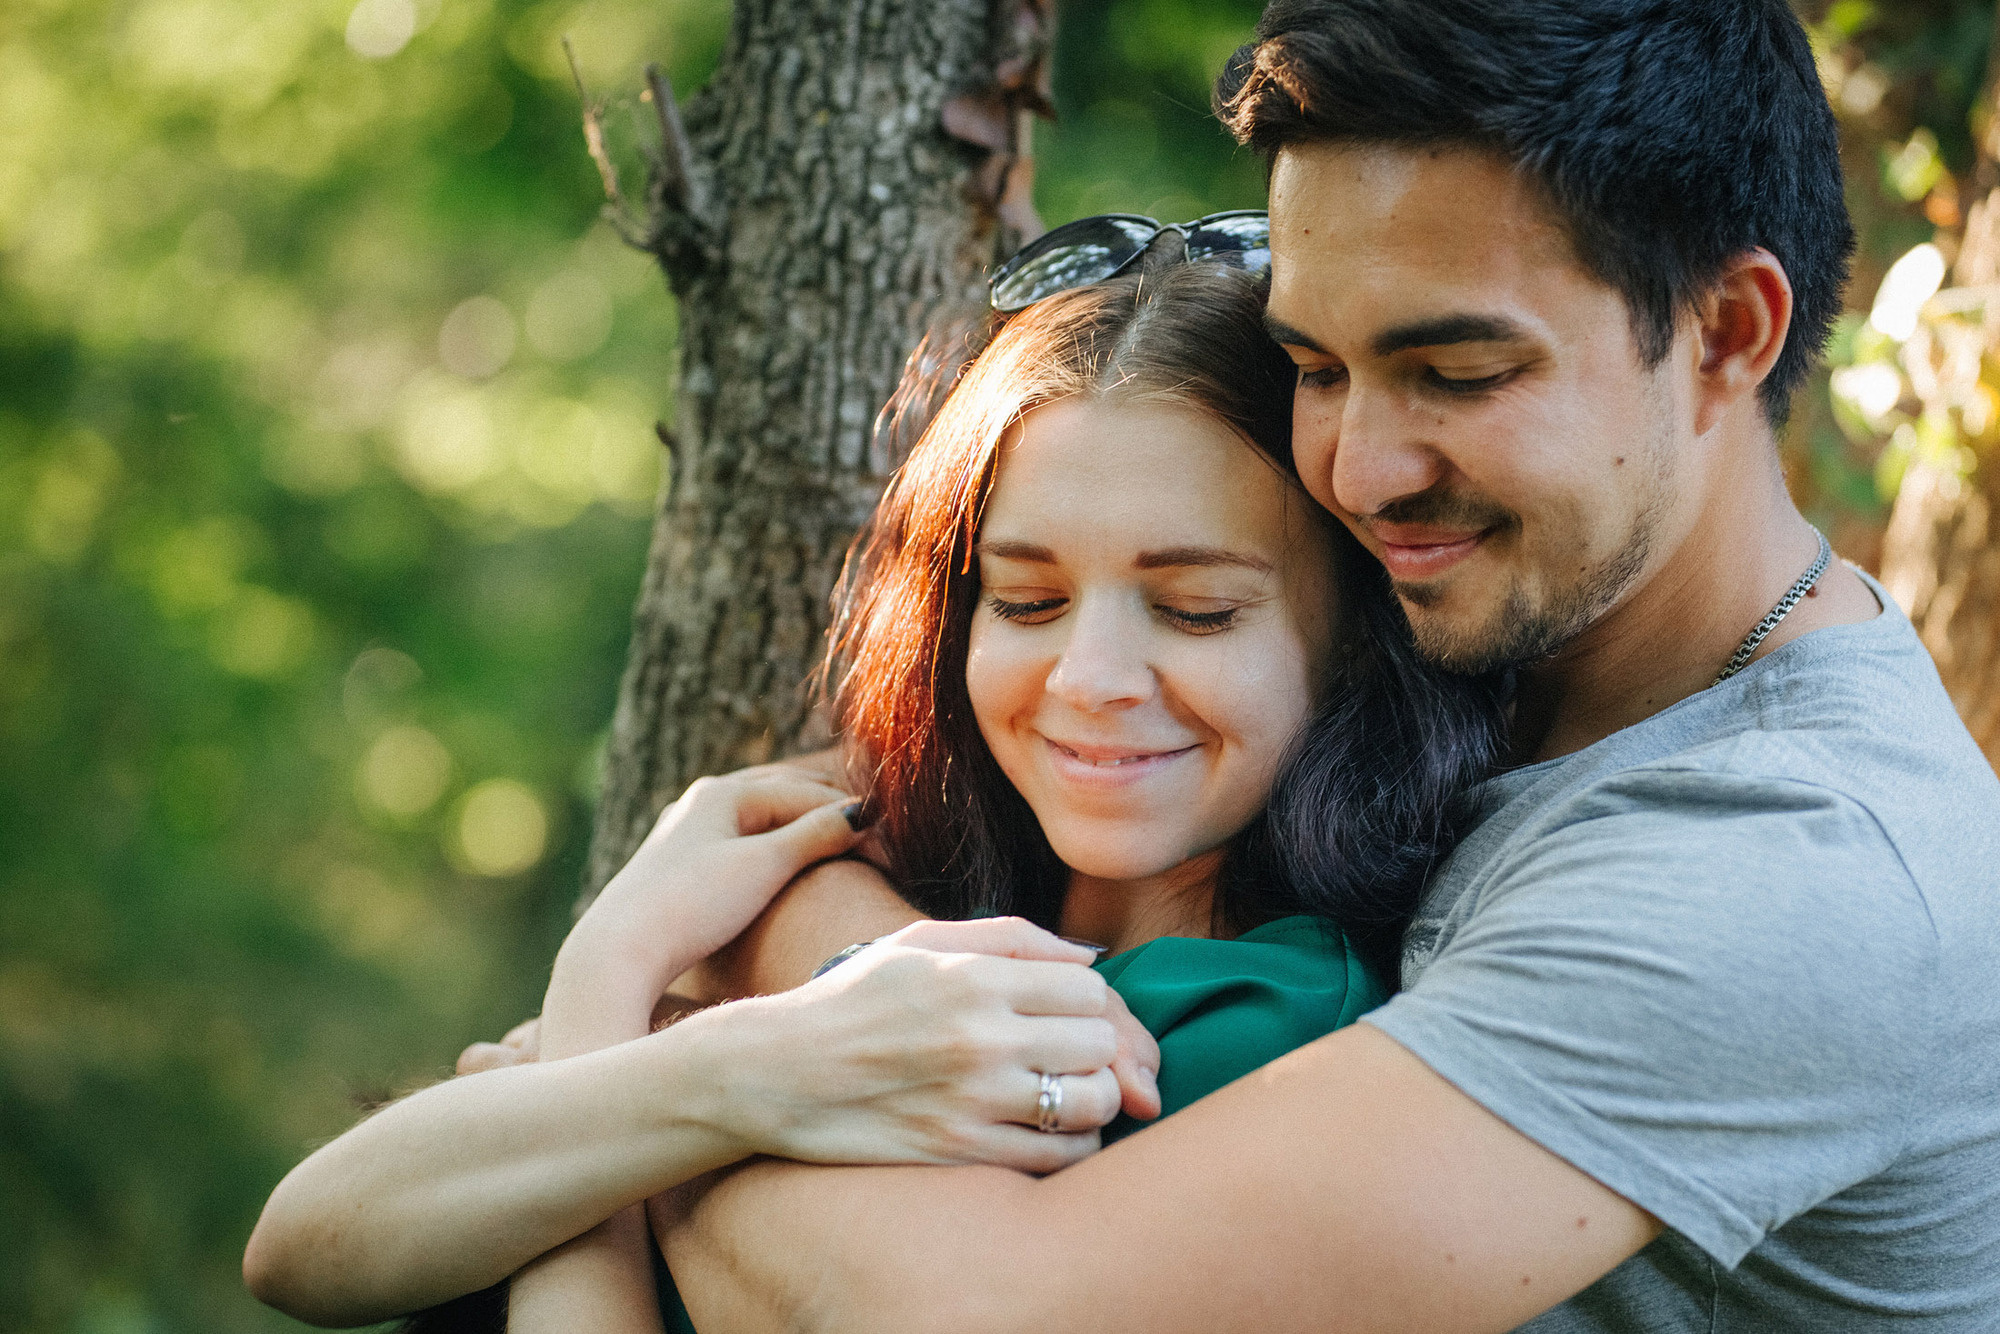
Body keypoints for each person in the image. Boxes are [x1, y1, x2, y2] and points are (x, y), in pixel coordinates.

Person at [622, 2, 2000, 1331]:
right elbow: (900, 781)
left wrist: (638, 1096)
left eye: (1456, 372)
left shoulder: (1788, 869)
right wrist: (844, 951)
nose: (1356, 469)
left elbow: (950, 1312)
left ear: (1727, 332)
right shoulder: (1507, 620)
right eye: (1315, 367)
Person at [244, 249, 1504, 1329]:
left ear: (1354, 635)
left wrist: (615, 1054)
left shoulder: (1252, 1024)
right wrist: (660, 1006)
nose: (1088, 677)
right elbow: (299, 1247)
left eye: (1194, 609)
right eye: (1026, 600)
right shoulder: (898, 868)